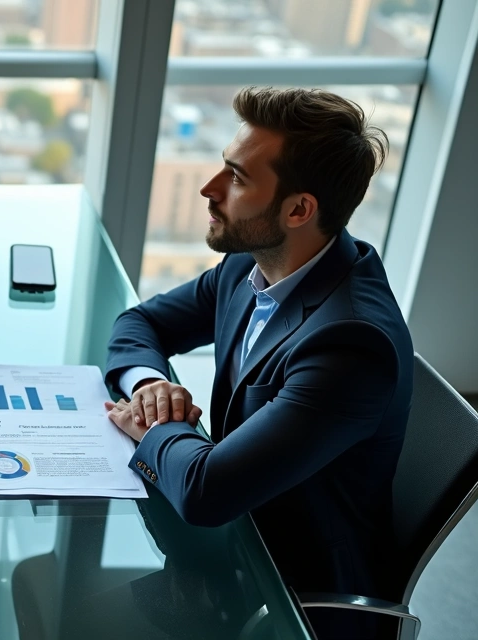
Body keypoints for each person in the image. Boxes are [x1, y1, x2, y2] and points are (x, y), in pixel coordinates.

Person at [102, 87, 412, 638]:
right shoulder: (251, 266)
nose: (209, 189)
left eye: (237, 178)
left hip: (293, 598)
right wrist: (150, 384)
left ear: (298, 209)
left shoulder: (350, 344)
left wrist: (150, 425)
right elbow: (140, 323)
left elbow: (206, 491)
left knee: (53, 615)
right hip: (228, 550)